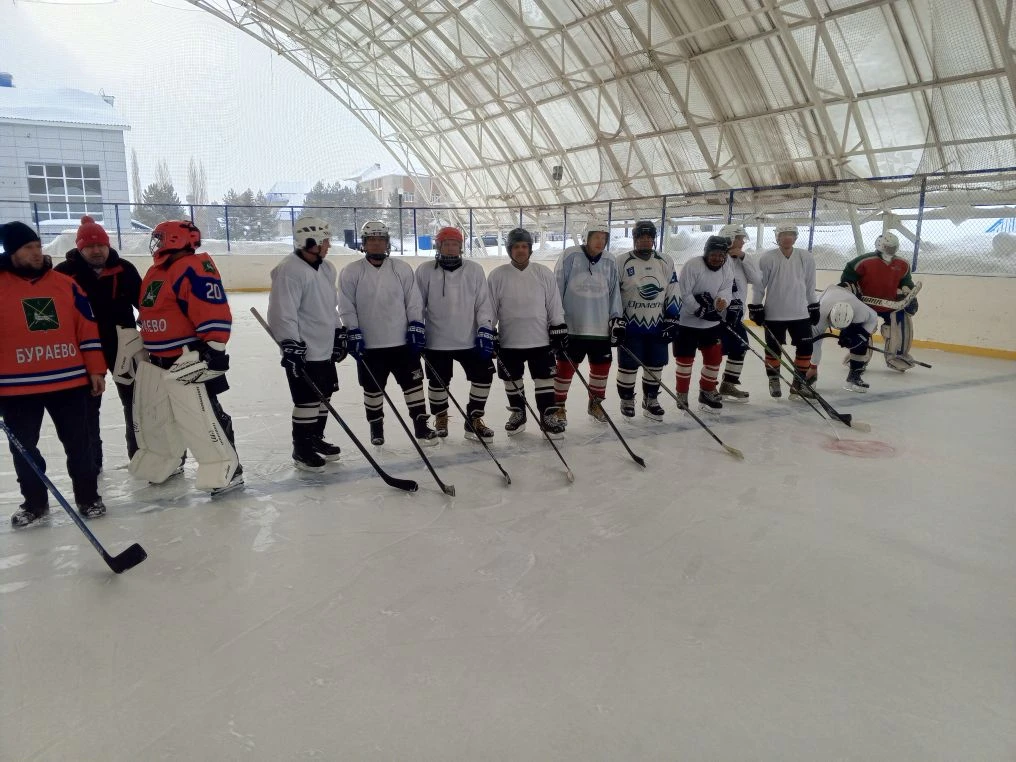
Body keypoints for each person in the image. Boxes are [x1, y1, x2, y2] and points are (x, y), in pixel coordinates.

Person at [0, 221, 107, 526]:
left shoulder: (64, 284)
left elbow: (86, 328)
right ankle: (35, 503)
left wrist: (96, 369)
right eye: (27, 248)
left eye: (37, 246)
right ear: (12, 252)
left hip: (69, 380)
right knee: (24, 449)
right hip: (15, 387)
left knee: (79, 444)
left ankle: (89, 498)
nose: (36, 253)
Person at [129, 220, 243, 495]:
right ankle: (165, 461)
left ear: (173, 239)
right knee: (158, 416)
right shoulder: (158, 271)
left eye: (160, 238)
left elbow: (211, 308)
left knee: (204, 416)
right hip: (158, 360)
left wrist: (215, 349)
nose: (155, 243)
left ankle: (229, 469)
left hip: (188, 359)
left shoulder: (192, 268)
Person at [53, 215, 142, 471]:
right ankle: (92, 462)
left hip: (123, 345)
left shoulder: (124, 269)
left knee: (134, 402)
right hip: (83, 349)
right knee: (87, 408)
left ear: (108, 244)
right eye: (89, 246)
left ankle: (138, 454)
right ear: (80, 248)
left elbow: (146, 306)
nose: (96, 250)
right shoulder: (63, 274)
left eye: (100, 245)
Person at [338, 220, 437, 447]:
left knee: (413, 387)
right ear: (364, 243)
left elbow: (413, 300)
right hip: (370, 345)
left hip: (402, 343)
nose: (376, 244)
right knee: (372, 389)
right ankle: (376, 426)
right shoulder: (351, 271)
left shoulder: (401, 268)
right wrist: (352, 330)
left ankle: (421, 426)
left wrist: (416, 325)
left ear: (387, 242)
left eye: (380, 239)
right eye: (371, 240)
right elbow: (345, 305)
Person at [267, 216, 346, 472]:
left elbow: (329, 307)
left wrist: (337, 333)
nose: (329, 246)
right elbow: (282, 313)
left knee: (324, 395)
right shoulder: (289, 270)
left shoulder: (326, 268)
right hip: (304, 349)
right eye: (325, 241)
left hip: (323, 346)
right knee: (306, 400)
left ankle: (315, 438)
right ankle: (301, 448)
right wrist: (290, 345)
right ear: (310, 242)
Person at [416, 226, 497, 443]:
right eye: (446, 244)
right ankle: (441, 416)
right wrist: (416, 327)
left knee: (484, 376)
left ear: (460, 247)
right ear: (439, 246)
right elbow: (417, 304)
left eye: (455, 244)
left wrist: (485, 329)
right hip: (436, 341)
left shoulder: (474, 269)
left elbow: (483, 303)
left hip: (469, 339)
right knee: (437, 382)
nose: (451, 248)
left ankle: (474, 419)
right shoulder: (424, 271)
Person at [487, 227, 567, 439]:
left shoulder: (543, 273)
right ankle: (518, 413)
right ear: (509, 249)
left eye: (524, 246)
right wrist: (489, 330)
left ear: (530, 249)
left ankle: (547, 416)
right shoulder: (497, 276)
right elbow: (490, 308)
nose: (521, 250)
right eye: (516, 247)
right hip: (509, 341)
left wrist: (558, 327)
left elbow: (554, 304)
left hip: (540, 339)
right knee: (512, 380)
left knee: (544, 379)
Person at [552, 221, 623, 427]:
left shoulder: (610, 260)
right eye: (596, 237)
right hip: (572, 326)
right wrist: (557, 320)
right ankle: (558, 406)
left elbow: (614, 292)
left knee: (601, 367)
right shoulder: (570, 255)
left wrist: (616, 318)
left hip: (600, 327)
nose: (600, 241)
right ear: (587, 237)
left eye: (604, 237)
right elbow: (556, 288)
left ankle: (596, 404)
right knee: (565, 368)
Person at [615, 220, 680, 420]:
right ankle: (626, 398)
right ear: (634, 239)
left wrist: (672, 317)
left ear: (654, 238)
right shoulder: (621, 261)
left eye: (649, 237)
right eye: (641, 237)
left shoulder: (665, 260)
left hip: (657, 324)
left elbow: (673, 289)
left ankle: (651, 399)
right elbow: (614, 293)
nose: (645, 241)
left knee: (655, 364)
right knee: (628, 365)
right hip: (631, 325)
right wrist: (616, 320)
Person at [749, 223, 819, 398]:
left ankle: (799, 383)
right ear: (777, 238)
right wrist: (756, 305)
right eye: (783, 234)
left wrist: (814, 305)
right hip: (774, 314)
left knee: (806, 348)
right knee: (773, 349)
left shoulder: (806, 257)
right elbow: (759, 285)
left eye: (791, 234)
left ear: (795, 237)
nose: (787, 237)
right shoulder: (767, 258)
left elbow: (811, 285)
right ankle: (774, 380)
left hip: (800, 313)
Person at [839, 232, 920, 372]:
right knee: (862, 330)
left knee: (901, 326)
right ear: (880, 246)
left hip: (891, 304)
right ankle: (859, 358)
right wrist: (850, 290)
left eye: (894, 247)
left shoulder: (903, 264)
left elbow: (906, 281)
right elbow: (848, 276)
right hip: (865, 303)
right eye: (888, 247)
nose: (891, 250)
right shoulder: (863, 261)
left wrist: (909, 295)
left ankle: (898, 357)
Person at [674, 236, 734, 413]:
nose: (717, 258)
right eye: (713, 254)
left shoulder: (726, 270)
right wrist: (698, 309)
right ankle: (682, 393)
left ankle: (707, 391)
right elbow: (684, 292)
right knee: (685, 361)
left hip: (710, 324)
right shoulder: (693, 265)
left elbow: (725, 292)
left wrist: (721, 303)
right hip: (686, 322)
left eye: (721, 255)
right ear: (706, 252)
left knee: (714, 359)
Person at [715, 223, 761, 401]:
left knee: (740, 347)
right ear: (730, 239)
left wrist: (743, 257)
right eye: (740, 239)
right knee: (714, 352)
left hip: (736, 316)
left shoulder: (742, 260)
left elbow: (757, 279)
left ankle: (728, 384)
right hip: (718, 317)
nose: (742, 242)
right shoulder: (716, 258)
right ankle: (709, 387)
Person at [808, 284, 879, 393]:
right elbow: (815, 343)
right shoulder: (820, 314)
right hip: (829, 295)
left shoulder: (861, 311)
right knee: (810, 342)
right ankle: (811, 375)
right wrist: (813, 366)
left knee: (861, 341)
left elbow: (873, 318)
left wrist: (861, 337)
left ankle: (854, 376)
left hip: (850, 297)